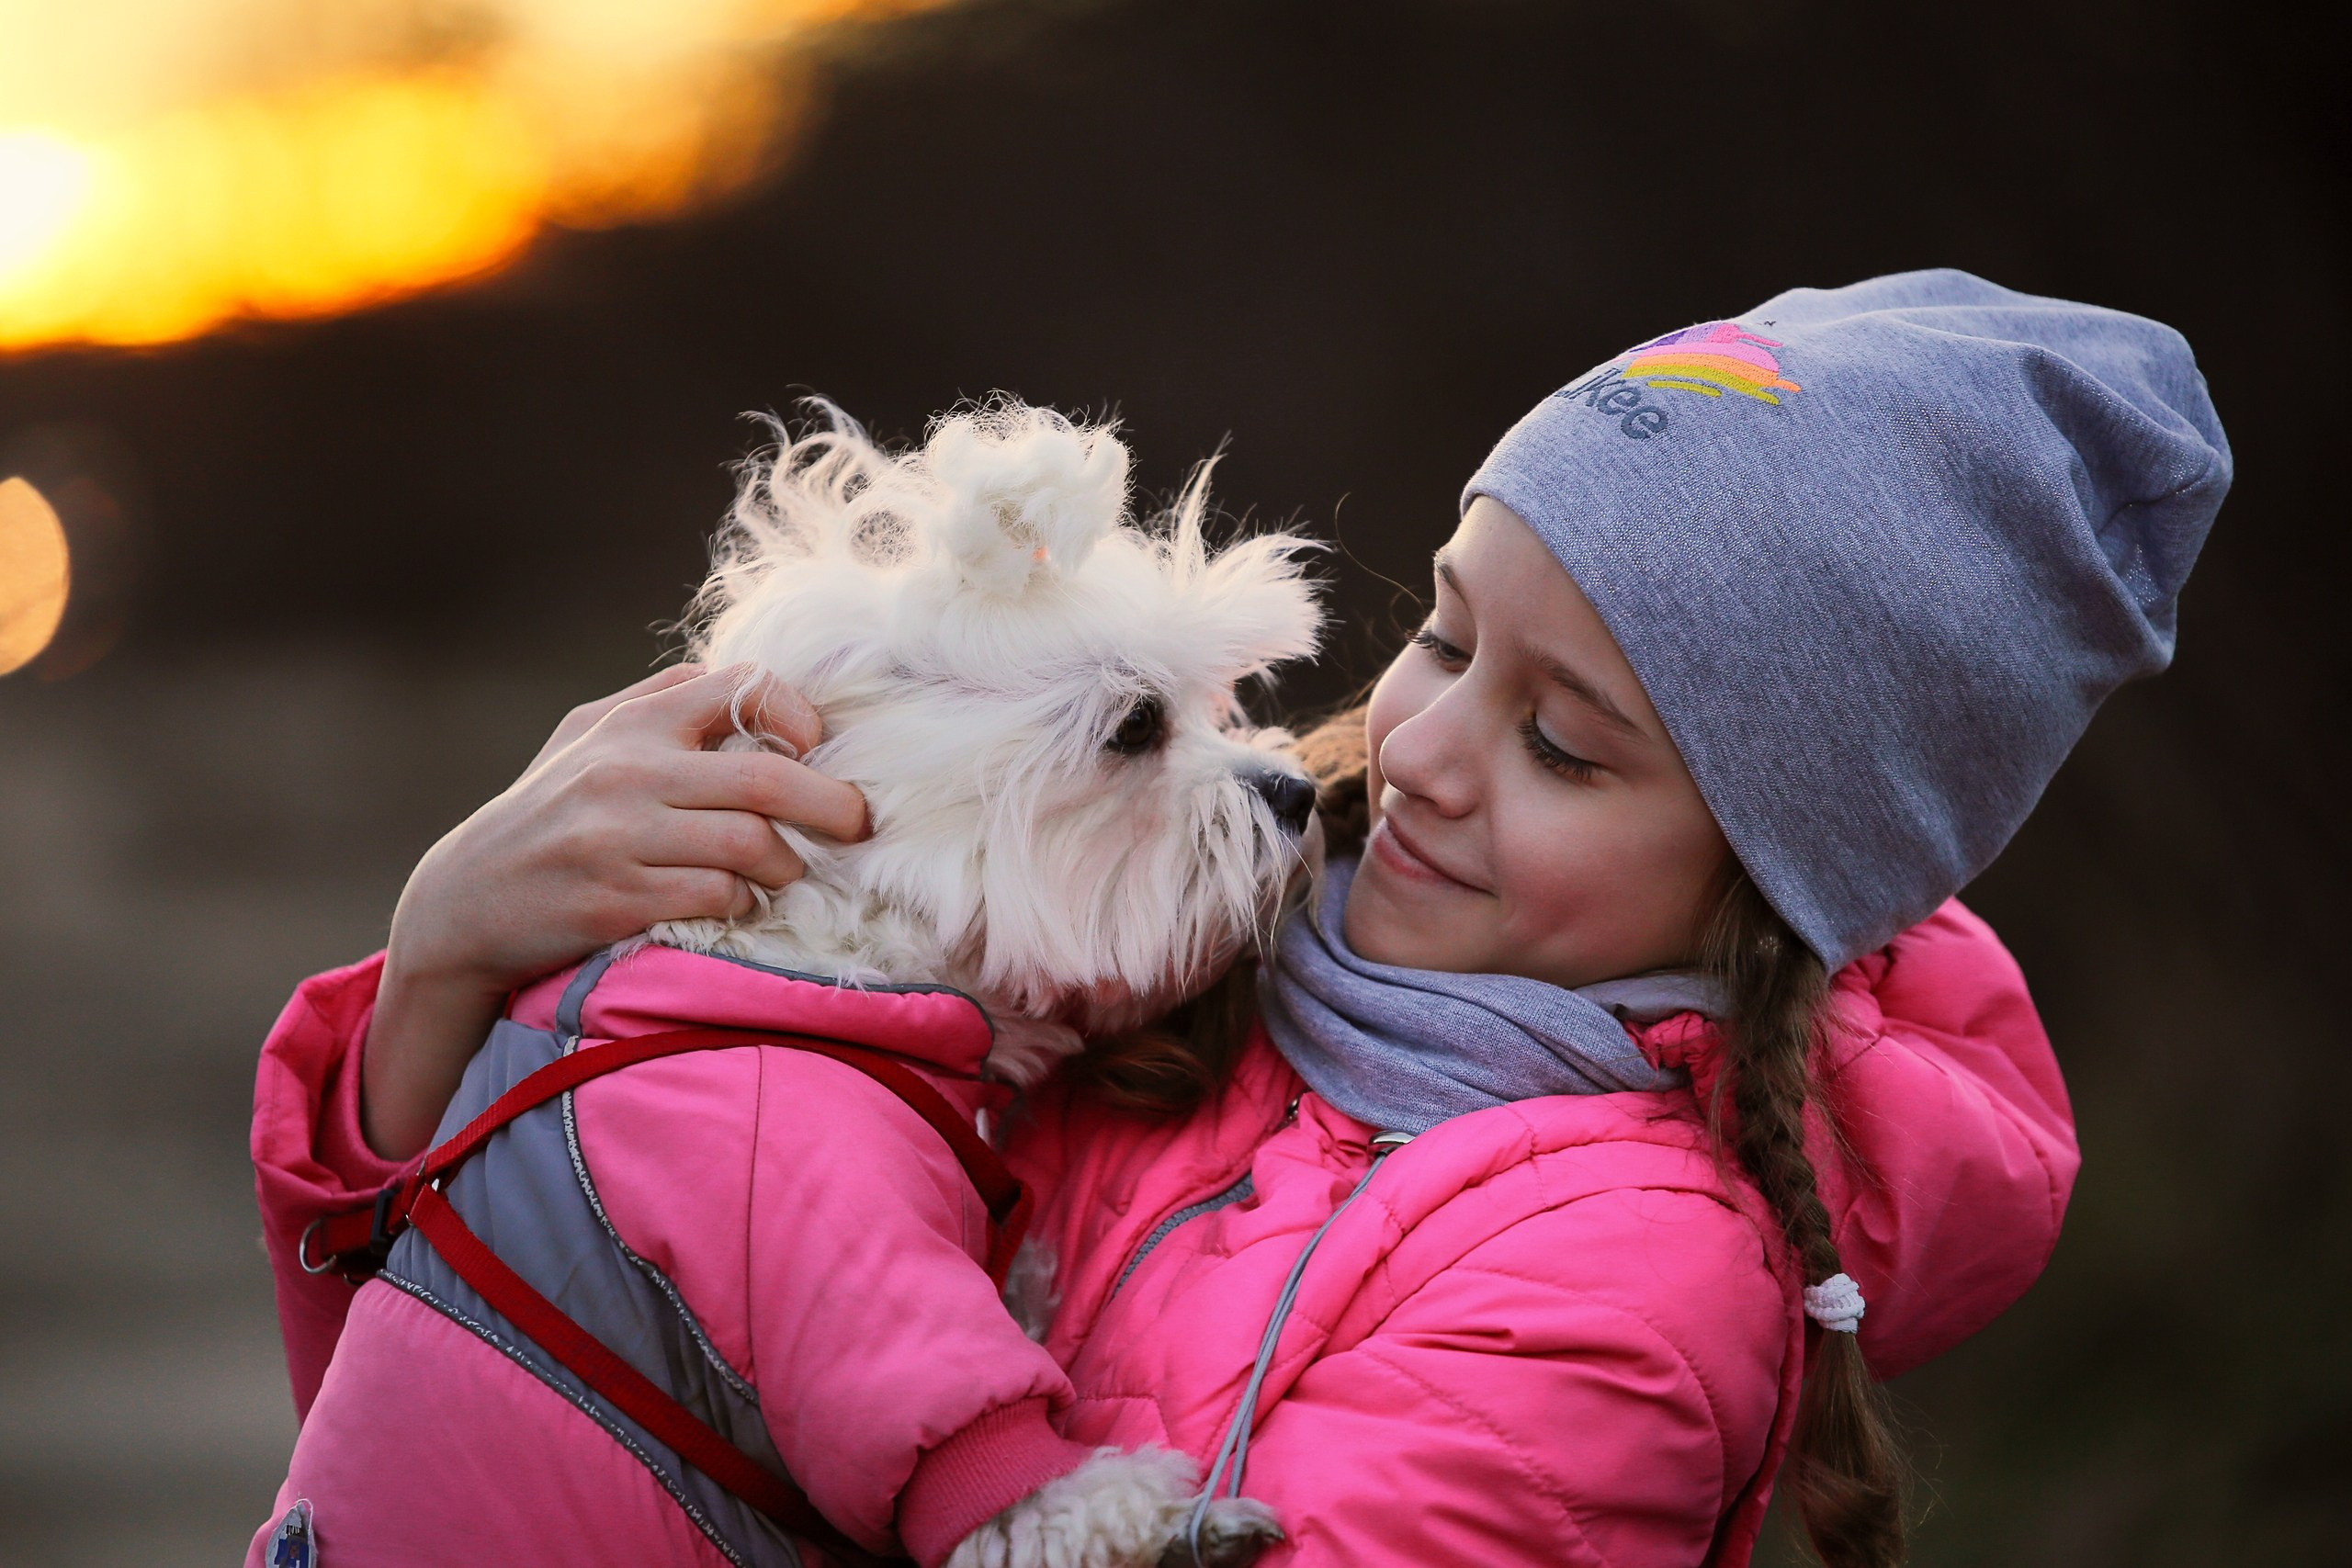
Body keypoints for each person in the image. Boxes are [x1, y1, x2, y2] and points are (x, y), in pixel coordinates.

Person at [250, 269, 2228, 1567]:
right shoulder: (1134, 962)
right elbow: (519, 1420)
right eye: (1445, 631)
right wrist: (451, 974)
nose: (1423, 747)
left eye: (1562, 740)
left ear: (1779, 879)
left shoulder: (1617, 1297)